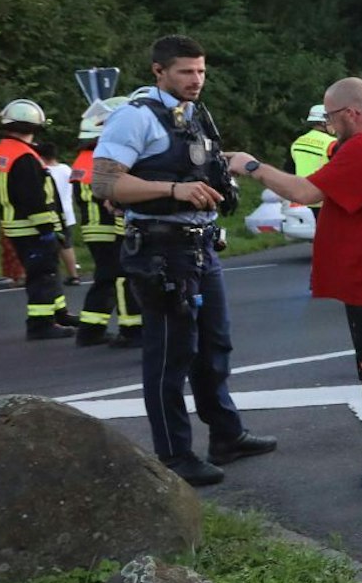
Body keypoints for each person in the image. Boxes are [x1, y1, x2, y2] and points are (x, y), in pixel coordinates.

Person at [228, 77, 362, 489]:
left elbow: (304, 191)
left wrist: (250, 165)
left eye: (329, 118)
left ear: (350, 113)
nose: (328, 127)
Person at [93, 35, 277, 486]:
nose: (196, 80)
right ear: (159, 72)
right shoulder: (134, 118)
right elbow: (103, 183)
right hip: (161, 249)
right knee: (171, 354)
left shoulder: (195, 115)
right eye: (185, 72)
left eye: (201, 72)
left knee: (215, 346)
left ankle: (226, 436)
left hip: (199, 246)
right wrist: (171, 190)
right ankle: (173, 456)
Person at [0, 99, 76, 338]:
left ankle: (58, 313)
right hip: (32, 228)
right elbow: (32, 197)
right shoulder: (24, 156)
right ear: (34, 127)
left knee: (49, 272)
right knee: (42, 275)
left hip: (17, 226)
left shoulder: (4, 151)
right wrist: (46, 227)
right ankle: (41, 324)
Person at [72, 98, 143, 347]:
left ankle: (91, 330)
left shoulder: (84, 159)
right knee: (124, 277)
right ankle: (132, 329)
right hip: (110, 229)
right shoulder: (102, 161)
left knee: (106, 278)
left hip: (96, 230)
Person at [43, 146, 84, 284]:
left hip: (51, 211)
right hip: (67, 211)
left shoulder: (44, 171)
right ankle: (73, 275)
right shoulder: (66, 169)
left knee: (49, 244)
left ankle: (51, 274)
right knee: (66, 244)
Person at [290, 104, 334, 178]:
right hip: (321, 188)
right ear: (323, 123)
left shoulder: (297, 142)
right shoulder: (332, 143)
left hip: (300, 187)